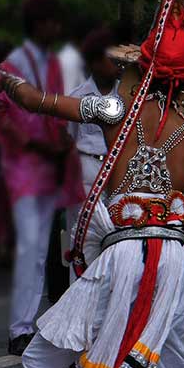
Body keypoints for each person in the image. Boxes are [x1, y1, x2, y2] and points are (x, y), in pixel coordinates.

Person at [0, 0, 184, 368]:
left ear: (142, 69)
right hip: (177, 264)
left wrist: (8, 83)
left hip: (121, 256)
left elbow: (39, 101)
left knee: (43, 359)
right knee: (172, 367)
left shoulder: (114, 112)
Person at [0, 0, 84, 355]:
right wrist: (36, 144)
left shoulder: (59, 63)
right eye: (49, 21)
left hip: (63, 164)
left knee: (73, 245)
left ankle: (71, 321)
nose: (55, 27)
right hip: (29, 167)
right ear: (37, 24)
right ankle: (20, 330)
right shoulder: (14, 63)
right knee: (32, 248)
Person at [64, 28, 121, 245]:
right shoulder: (77, 97)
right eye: (111, 59)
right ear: (95, 63)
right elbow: (70, 139)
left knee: (116, 236)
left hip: (116, 170)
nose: (117, 65)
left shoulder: (127, 97)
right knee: (81, 237)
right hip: (86, 169)